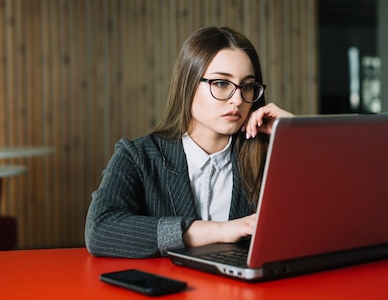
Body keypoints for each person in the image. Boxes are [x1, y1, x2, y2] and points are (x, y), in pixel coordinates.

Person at [85, 26, 293, 258]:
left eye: (247, 86)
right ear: (189, 84)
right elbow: (100, 230)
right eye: (222, 83)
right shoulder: (138, 155)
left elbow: (330, 219)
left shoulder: (270, 156)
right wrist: (220, 231)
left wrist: (297, 138)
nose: (237, 100)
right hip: (171, 291)